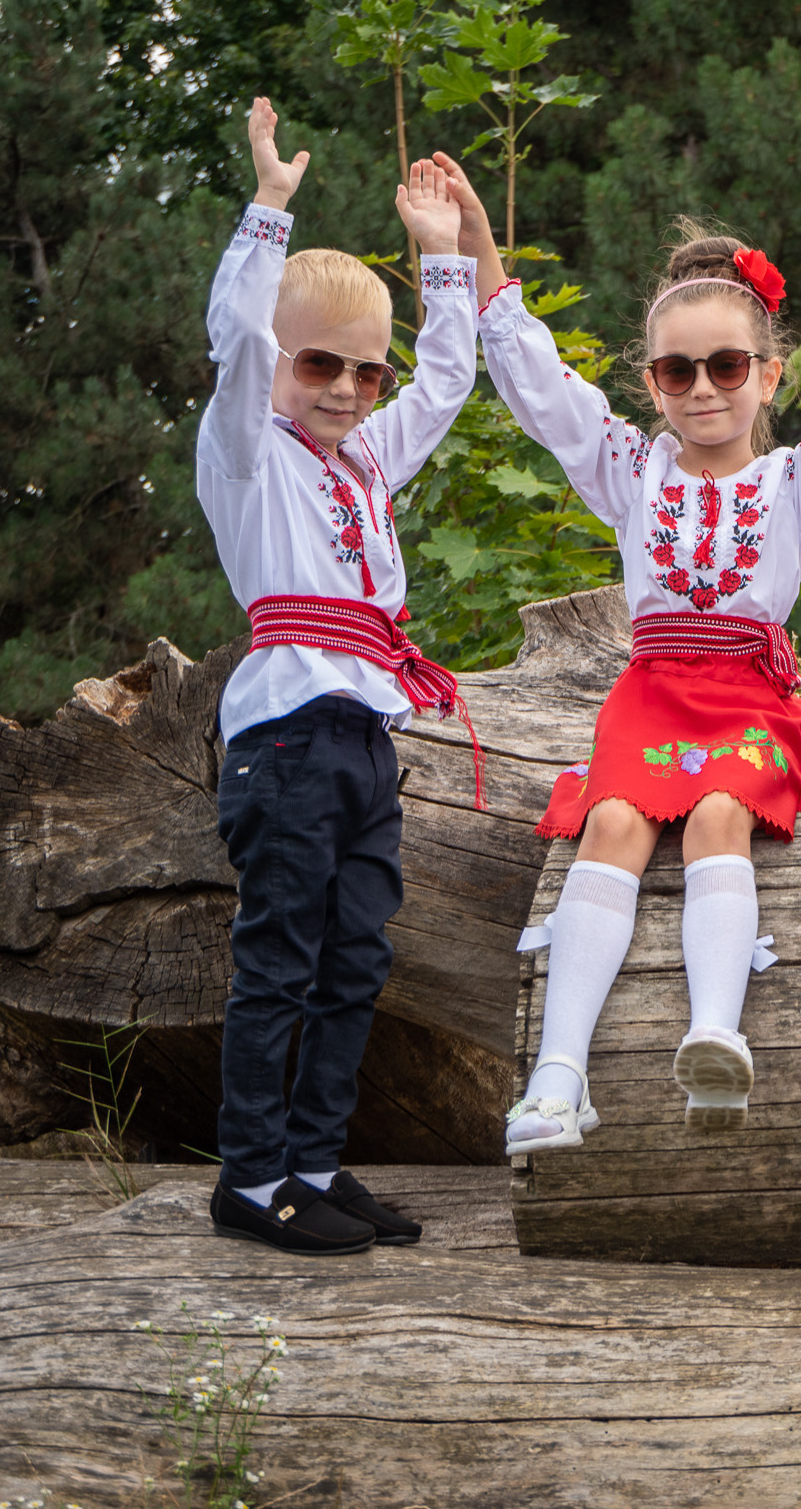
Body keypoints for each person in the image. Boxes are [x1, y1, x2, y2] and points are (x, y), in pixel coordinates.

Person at [453, 155, 801, 1148]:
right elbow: (537, 383)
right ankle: (557, 1079)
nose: (702, 389)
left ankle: (714, 1040)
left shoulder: (799, 481)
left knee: (715, 810)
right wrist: (479, 245)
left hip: (745, 694)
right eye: (676, 371)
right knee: (610, 820)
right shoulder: (629, 468)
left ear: (769, 374)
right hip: (652, 692)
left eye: (727, 366)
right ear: (651, 384)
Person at [202, 98, 484, 1256]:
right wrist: (269, 207)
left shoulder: (363, 458)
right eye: (322, 365)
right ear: (284, 361)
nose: (349, 391)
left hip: (367, 738)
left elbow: (450, 381)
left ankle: (314, 1163)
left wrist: (440, 257)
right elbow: (238, 344)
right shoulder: (247, 450)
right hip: (286, 739)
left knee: (358, 951)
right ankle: (249, 1175)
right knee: (281, 956)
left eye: (368, 374)